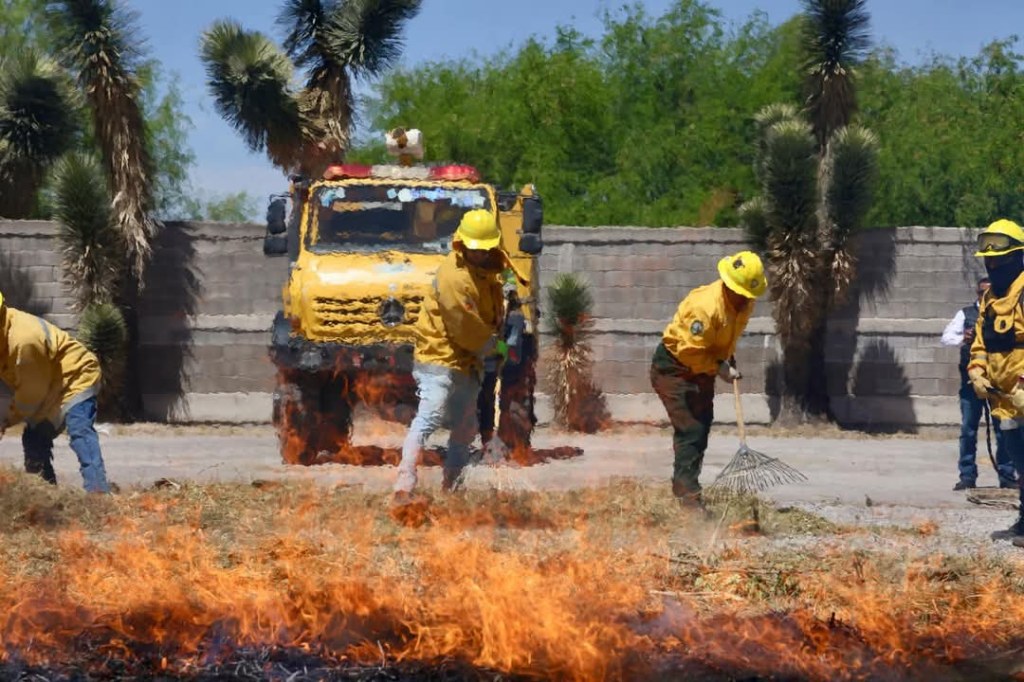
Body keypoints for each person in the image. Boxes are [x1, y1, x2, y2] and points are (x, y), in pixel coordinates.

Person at [393, 209, 507, 503]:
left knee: (465, 425)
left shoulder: (488, 274)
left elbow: (489, 316)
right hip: (439, 357)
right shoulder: (453, 278)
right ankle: (404, 485)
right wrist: (496, 347)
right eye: (476, 248)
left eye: (485, 248)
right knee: (430, 416)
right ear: (462, 243)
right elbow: (466, 328)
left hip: (468, 360)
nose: (481, 254)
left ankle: (451, 491)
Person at [650, 250, 767, 508]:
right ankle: (688, 498)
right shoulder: (705, 307)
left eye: (749, 295)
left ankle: (685, 485)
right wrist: (720, 368)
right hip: (674, 367)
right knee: (691, 428)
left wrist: (727, 355)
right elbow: (689, 352)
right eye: (741, 293)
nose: (746, 300)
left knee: (701, 427)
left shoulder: (745, 302)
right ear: (728, 284)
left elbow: (727, 331)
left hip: (704, 369)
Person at [0, 293, 111, 493]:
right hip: (48, 384)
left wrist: (6, 420)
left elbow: (31, 394)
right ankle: (45, 495)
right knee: (34, 438)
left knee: (79, 430)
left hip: (76, 376)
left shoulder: (24, 340)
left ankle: (99, 494)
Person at [966, 219, 1024, 540]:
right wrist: (977, 373)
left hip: (1021, 392)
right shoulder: (989, 300)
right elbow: (980, 343)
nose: (994, 265)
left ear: (1017, 257)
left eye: (1000, 259)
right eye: (989, 260)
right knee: (1019, 462)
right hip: (1005, 398)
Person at [941, 277, 1017, 489]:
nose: (986, 296)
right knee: (968, 429)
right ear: (977, 293)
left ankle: (1007, 475)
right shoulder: (965, 314)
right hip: (970, 382)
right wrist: (963, 338)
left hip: (997, 383)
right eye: (982, 292)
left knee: (1004, 429)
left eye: (990, 292)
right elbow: (946, 337)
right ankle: (967, 476)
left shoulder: (1006, 311)